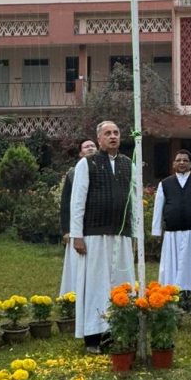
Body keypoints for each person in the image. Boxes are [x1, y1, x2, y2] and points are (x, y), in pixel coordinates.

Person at [70, 120, 137, 353]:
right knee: (96, 285)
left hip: (121, 234)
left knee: (121, 283)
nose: (113, 136)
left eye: (116, 132)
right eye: (107, 133)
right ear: (99, 139)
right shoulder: (87, 164)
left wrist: (136, 235)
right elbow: (77, 201)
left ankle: (117, 332)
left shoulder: (128, 164)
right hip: (94, 235)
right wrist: (77, 235)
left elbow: (134, 201)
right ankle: (93, 336)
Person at [152, 150, 191, 302]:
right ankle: (173, 295)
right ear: (174, 164)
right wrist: (156, 230)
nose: (181, 162)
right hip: (172, 233)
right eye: (178, 160)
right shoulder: (165, 184)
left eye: (185, 160)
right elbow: (158, 208)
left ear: (190, 164)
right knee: (171, 266)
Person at [59, 139, 98, 296]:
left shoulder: (104, 169)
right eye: (86, 147)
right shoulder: (73, 174)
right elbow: (66, 202)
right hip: (78, 227)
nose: (90, 148)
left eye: (93, 146)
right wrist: (67, 229)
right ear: (81, 153)